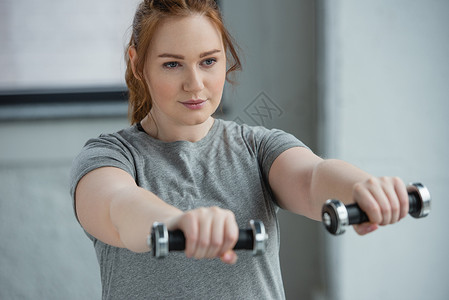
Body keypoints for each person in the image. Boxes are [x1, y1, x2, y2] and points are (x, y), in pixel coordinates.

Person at [70, 0, 410, 299]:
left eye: (208, 61)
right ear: (137, 63)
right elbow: (119, 206)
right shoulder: (109, 157)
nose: (195, 83)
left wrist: (361, 188)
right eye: (172, 64)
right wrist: (179, 222)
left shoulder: (258, 146)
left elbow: (312, 177)